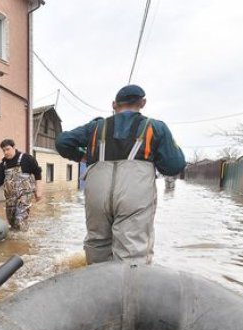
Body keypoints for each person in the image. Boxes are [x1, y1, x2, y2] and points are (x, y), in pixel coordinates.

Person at [56, 84, 186, 265]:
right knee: (132, 253)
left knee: (97, 244)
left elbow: (62, 141)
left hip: (97, 193)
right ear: (143, 103)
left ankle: (96, 289)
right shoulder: (155, 127)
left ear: (114, 105)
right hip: (134, 193)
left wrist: (82, 156)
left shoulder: (96, 127)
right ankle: (126, 291)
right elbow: (174, 166)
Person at [0, 139, 42, 231]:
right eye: (3, 150)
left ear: (14, 147)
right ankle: (16, 239)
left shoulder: (27, 159)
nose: (5, 152)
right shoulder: (3, 165)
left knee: (20, 219)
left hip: (25, 195)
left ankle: (23, 242)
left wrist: (38, 191)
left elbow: (37, 173)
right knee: (12, 222)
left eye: (7, 149)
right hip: (10, 197)